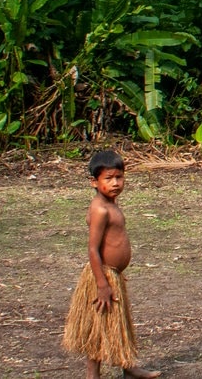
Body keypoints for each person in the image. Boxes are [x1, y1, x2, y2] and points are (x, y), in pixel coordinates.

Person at [61, 150, 162, 379]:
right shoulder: (100, 208)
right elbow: (93, 249)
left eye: (119, 177)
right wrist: (102, 283)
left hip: (112, 274)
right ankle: (92, 375)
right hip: (103, 277)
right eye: (108, 178)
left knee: (119, 325)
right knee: (99, 327)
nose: (115, 183)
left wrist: (117, 273)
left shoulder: (111, 203)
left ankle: (128, 366)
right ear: (94, 182)